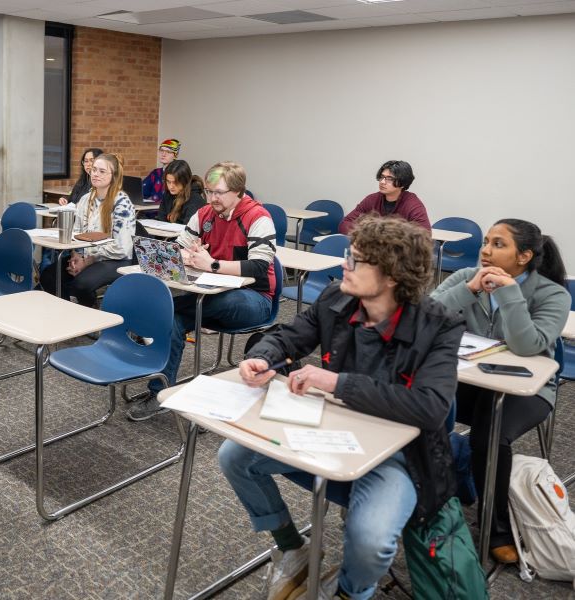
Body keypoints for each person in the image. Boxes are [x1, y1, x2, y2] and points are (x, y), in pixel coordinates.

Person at [219, 216, 463, 600]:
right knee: (234, 455)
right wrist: (265, 358)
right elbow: (289, 335)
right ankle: (293, 548)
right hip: (329, 432)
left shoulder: (438, 325)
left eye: (356, 260)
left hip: (398, 455)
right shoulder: (337, 298)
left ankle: (350, 590)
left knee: (371, 541)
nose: (344, 264)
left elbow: (430, 408)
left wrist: (335, 382)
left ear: (392, 276)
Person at [432, 218, 569, 564]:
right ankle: (440, 495)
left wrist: (509, 293)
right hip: (470, 380)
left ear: (524, 256)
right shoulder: (467, 277)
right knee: (423, 408)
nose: (485, 251)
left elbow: (528, 345)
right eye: (486, 242)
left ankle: (496, 528)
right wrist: (470, 290)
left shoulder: (552, 293)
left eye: (498, 244)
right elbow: (426, 316)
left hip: (528, 390)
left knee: (488, 434)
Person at [129, 161, 277, 421]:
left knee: (174, 309)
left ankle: (147, 321)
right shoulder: (205, 214)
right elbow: (178, 247)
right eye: (209, 191)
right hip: (209, 294)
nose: (212, 198)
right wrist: (185, 256)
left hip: (254, 299)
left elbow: (259, 267)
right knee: (172, 321)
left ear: (239, 190)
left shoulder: (258, 217)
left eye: (219, 192)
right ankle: (161, 392)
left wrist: (213, 264)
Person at [39, 153, 136, 306]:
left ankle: (90, 313)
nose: (96, 174)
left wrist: (88, 260)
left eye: (102, 171)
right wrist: (76, 256)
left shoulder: (122, 202)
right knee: (49, 275)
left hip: (115, 259)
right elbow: (78, 233)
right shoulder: (86, 199)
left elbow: (122, 248)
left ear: (114, 176)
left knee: (81, 284)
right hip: (87, 255)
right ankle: (70, 314)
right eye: (94, 170)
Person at [338, 160, 430, 234]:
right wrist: (368, 234)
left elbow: (425, 234)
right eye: (382, 177)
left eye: (389, 179)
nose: (382, 182)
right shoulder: (372, 199)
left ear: (403, 183)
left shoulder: (412, 204)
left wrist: (388, 238)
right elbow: (345, 224)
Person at [158, 159, 206, 225]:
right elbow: (161, 220)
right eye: (168, 182)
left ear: (185, 181)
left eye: (176, 183)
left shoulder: (195, 200)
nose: (171, 186)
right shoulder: (167, 194)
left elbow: (189, 230)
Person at [142, 138, 180, 203]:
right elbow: (142, 192)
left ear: (175, 155)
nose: (163, 154)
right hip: (151, 210)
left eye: (168, 152)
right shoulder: (155, 173)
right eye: (161, 150)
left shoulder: (179, 173)